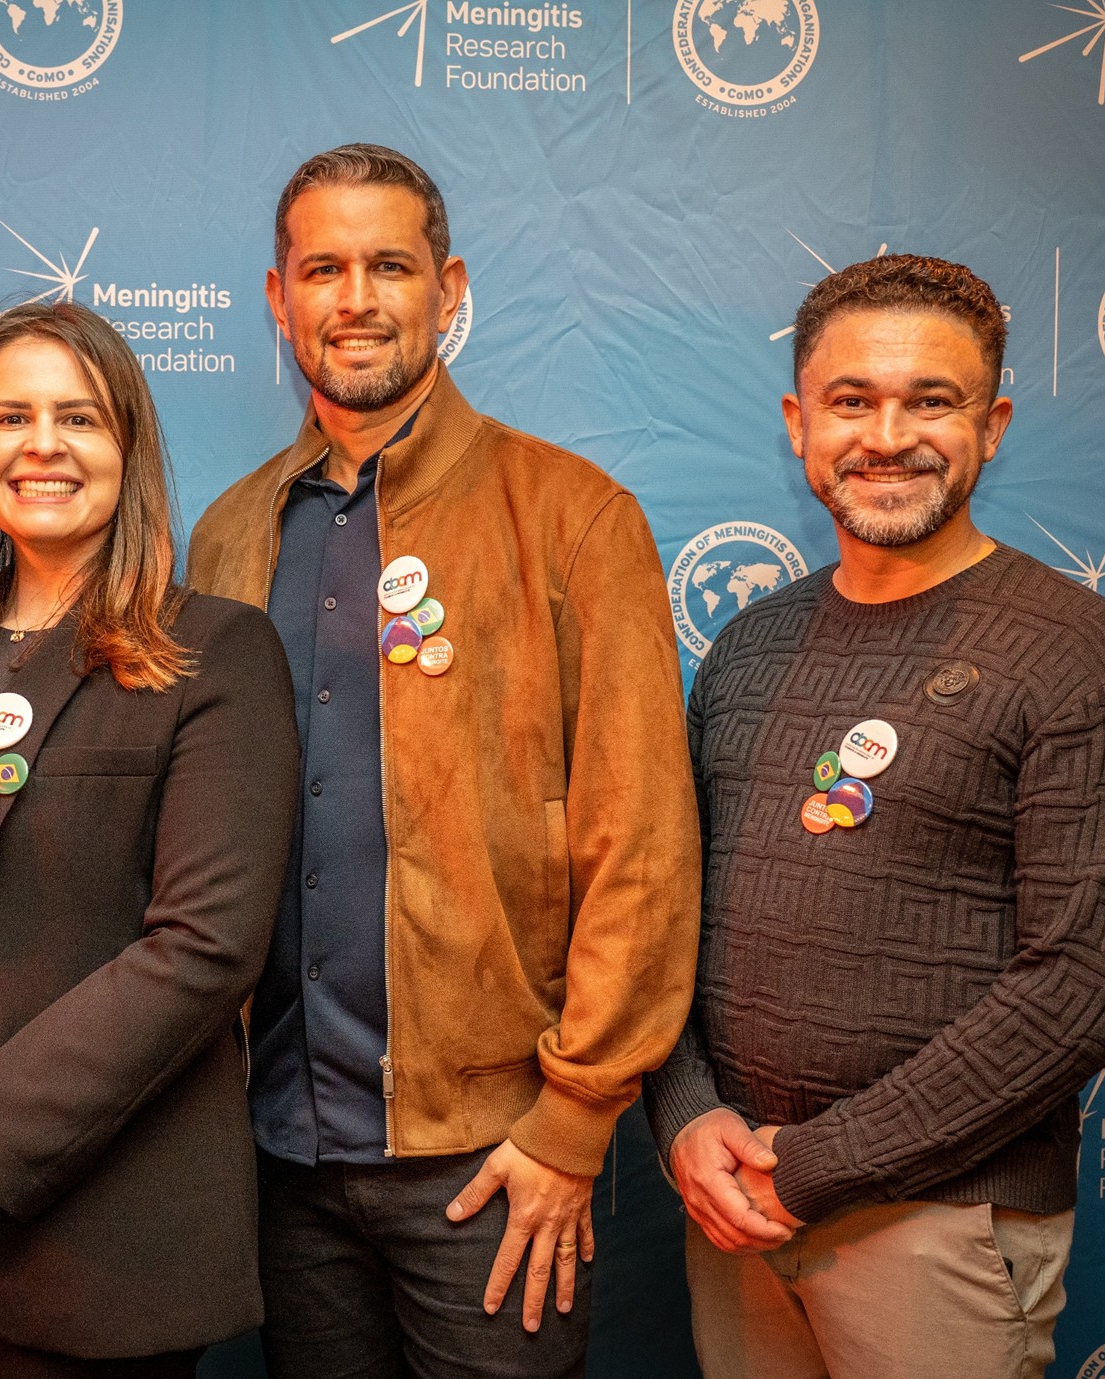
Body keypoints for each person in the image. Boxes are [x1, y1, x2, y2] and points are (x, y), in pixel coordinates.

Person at [186, 144, 702, 1379]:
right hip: (277, 1152)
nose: (355, 298)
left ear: (446, 285)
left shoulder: (573, 514)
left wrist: (576, 1118)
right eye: (323, 268)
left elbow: (642, 838)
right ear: (278, 298)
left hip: (491, 1161)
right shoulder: (230, 530)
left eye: (388, 266)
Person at [645, 254, 1105, 1379]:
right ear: (800, 423)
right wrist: (686, 1112)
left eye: (929, 400)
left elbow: (1079, 991)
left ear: (990, 423)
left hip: (937, 1223)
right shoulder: (745, 648)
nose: (886, 434)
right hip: (730, 1207)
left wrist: (811, 1167)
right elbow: (663, 915)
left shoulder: (1079, 654)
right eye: (851, 400)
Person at [0, 301, 300, 1379]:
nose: (42, 445)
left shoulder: (213, 652)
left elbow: (203, 948)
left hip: (97, 1249)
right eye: (10, 417)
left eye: (78, 417)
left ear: (127, 448)